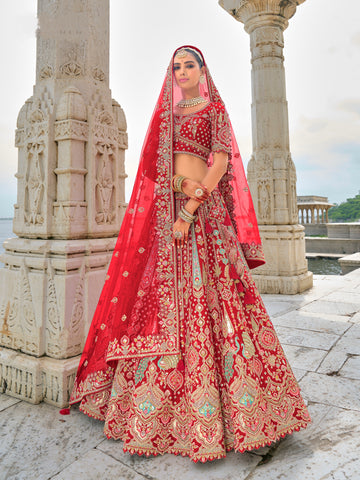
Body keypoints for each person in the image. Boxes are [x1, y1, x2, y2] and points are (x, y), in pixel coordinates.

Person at [68, 45, 311, 463]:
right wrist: (179, 188)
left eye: (189, 65)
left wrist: (191, 205)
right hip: (171, 215)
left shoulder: (213, 109)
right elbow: (150, 170)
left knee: (221, 300)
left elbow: (220, 164)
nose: (182, 72)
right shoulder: (168, 118)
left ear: (202, 70)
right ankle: (158, 409)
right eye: (176, 66)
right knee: (168, 301)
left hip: (204, 215)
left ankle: (245, 406)